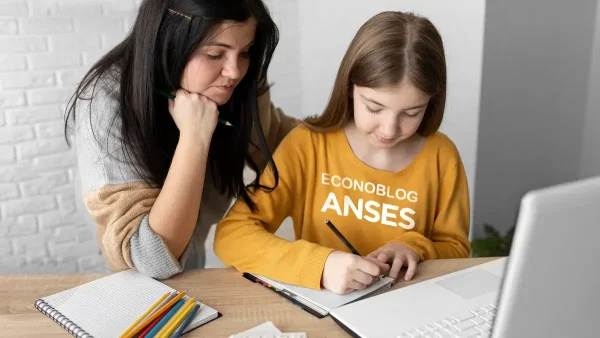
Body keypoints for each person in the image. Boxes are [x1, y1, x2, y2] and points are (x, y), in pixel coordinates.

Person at [214, 11, 471, 295]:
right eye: (374, 107)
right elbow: (232, 235)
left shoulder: (441, 156)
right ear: (349, 88)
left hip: (409, 307)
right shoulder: (308, 145)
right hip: (326, 308)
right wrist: (321, 266)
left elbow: (457, 250)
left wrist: (414, 246)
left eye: (412, 113)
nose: (389, 129)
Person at [65, 0, 297, 279]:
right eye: (214, 54)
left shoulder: (241, 79)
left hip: (193, 247)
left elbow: (274, 140)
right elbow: (150, 257)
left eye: (245, 52)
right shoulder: (106, 103)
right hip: (137, 273)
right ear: (168, 42)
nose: (234, 72)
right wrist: (194, 138)